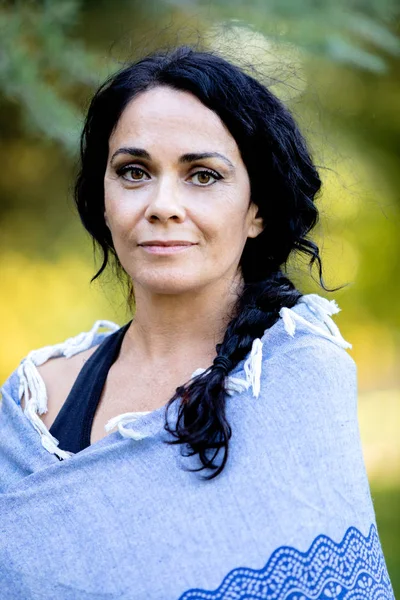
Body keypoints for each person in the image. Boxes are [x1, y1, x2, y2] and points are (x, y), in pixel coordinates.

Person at [0, 45, 395, 599]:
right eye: (133, 172)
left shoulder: (294, 377)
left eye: (203, 176)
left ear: (257, 208)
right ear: (104, 197)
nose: (162, 204)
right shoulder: (33, 404)